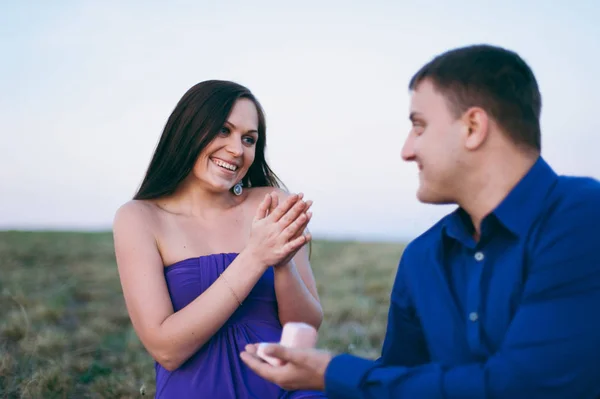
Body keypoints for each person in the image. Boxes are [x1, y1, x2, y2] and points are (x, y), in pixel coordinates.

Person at [240, 44, 600, 398]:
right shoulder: (422, 256)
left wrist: (331, 372)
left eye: (420, 126)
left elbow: (524, 386)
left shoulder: (581, 216)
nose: (407, 150)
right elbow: (399, 381)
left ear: (473, 127)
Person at [112, 80, 326, 398]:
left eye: (249, 139)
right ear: (187, 130)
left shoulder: (272, 202)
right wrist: (255, 258)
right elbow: (166, 349)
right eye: (223, 131)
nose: (237, 149)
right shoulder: (139, 218)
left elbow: (305, 327)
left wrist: (283, 267)